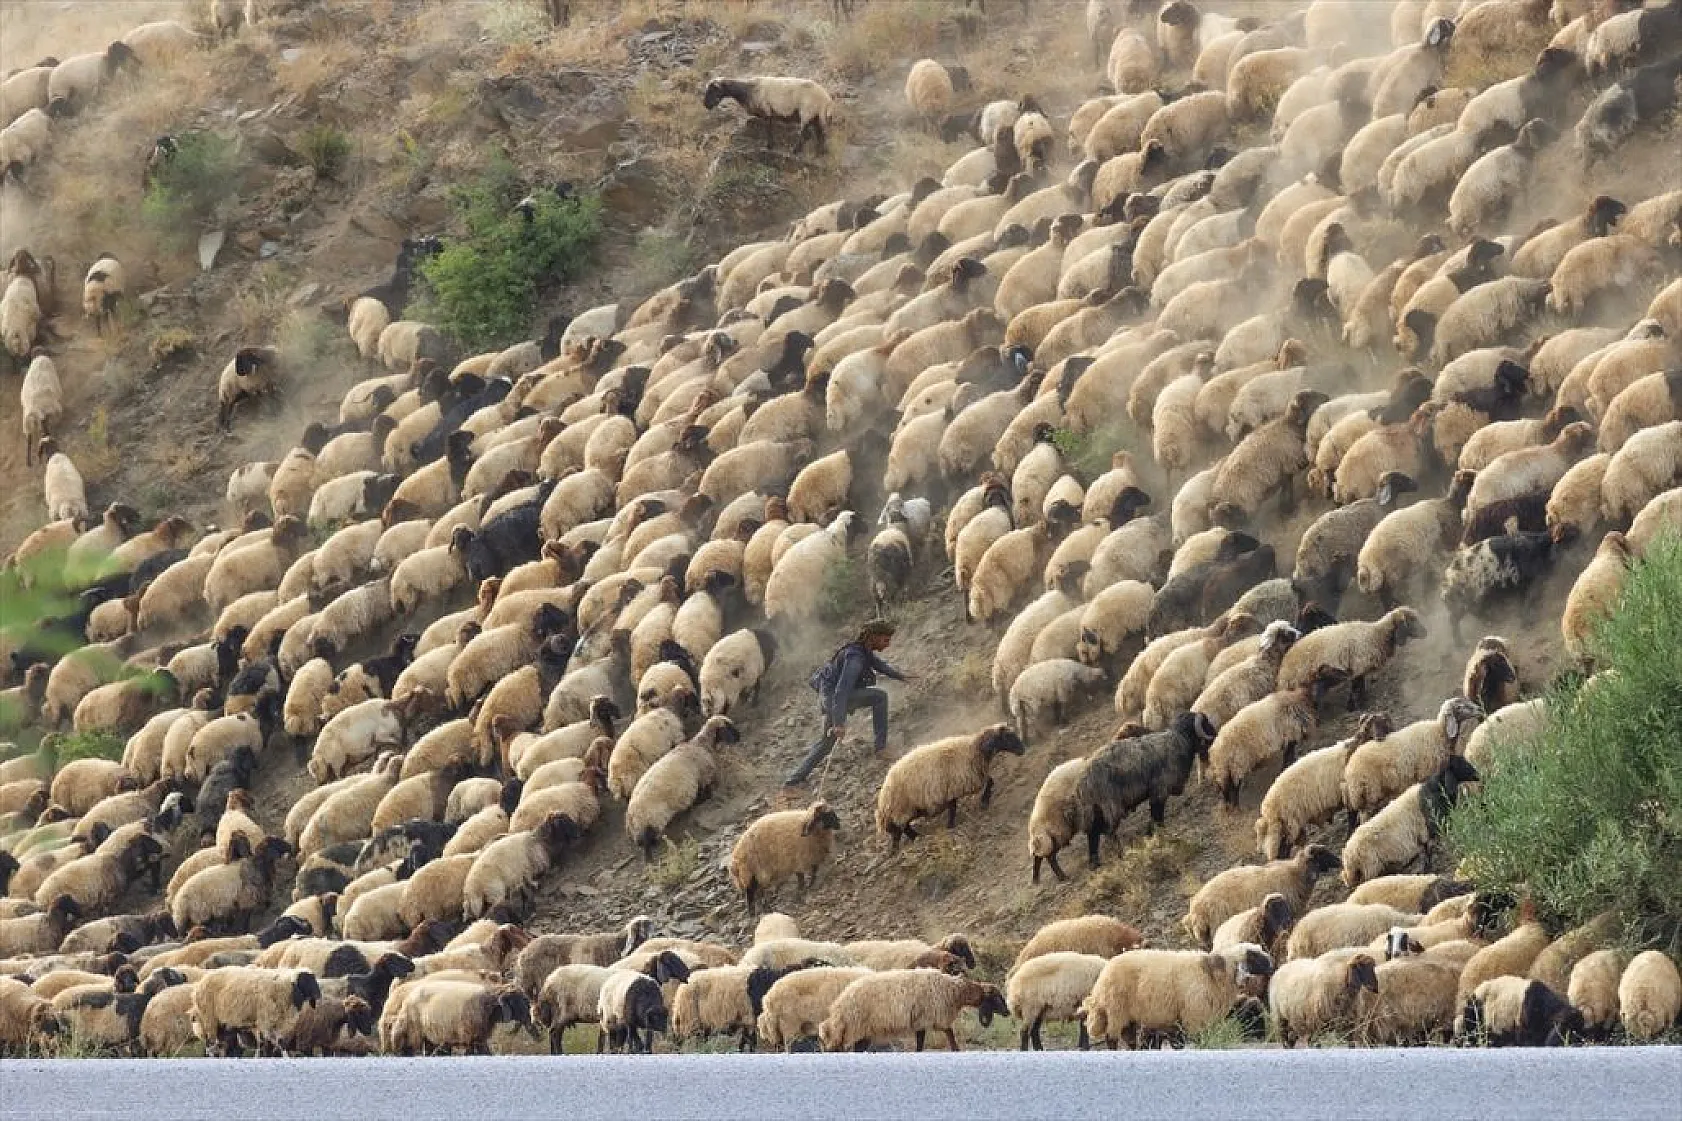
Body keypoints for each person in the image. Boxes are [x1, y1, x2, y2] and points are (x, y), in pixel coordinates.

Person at [784, 620, 909, 787]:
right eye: (885, 640)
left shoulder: (863, 650)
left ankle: (880, 748)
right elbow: (841, 691)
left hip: (835, 696)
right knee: (827, 742)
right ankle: (791, 783)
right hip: (834, 698)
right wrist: (838, 722)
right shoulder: (855, 658)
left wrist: (901, 676)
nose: (888, 644)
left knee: (879, 698)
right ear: (873, 638)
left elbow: (879, 665)